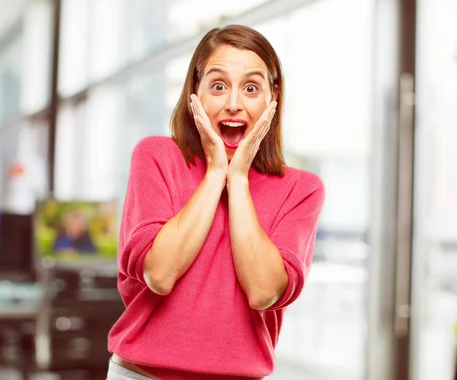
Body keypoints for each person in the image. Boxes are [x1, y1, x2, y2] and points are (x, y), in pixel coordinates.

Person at [107, 25, 325, 380]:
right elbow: (159, 274)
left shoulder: (302, 189)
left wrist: (237, 180)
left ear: (273, 98)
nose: (234, 103)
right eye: (218, 86)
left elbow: (263, 291)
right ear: (196, 93)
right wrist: (214, 175)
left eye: (251, 88)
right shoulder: (157, 157)